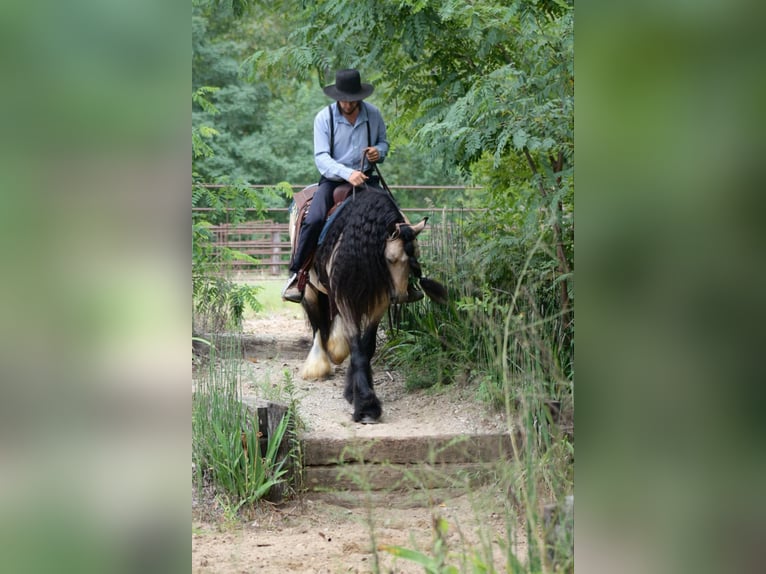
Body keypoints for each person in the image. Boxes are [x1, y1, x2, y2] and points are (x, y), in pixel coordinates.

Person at [282, 68, 389, 302]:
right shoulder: (324, 118)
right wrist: (347, 173)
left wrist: (377, 152)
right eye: (343, 99)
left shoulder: (374, 115)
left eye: (352, 100)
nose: (347, 104)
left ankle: (403, 277)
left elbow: (383, 143)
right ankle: (297, 273)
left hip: (367, 179)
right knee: (314, 219)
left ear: (360, 97)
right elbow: (321, 158)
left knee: (393, 217)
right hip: (332, 180)